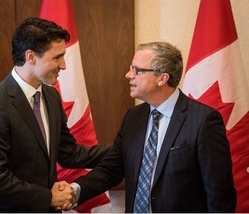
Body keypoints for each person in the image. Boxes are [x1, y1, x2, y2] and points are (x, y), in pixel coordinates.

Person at [72, 41, 237, 212]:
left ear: (162, 78)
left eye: (137, 70)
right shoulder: (133, 117)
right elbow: (112, 168)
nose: (128, 75)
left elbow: (219, 193)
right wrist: (74, 191)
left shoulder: (203, 120)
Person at [0, 17, 110, 213]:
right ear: (30, 57)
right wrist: (49, 197)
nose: (63, 65)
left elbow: (69, 153)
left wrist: (123, 147)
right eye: (57, 57)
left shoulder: (51, 95)